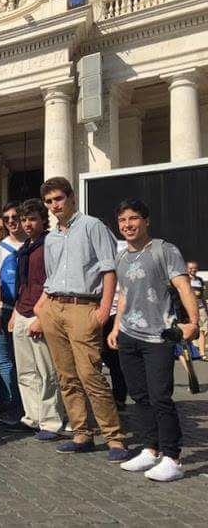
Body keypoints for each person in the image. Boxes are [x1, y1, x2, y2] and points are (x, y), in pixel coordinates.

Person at [35, 177, 129, 461]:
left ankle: (114, 438)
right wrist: (42, 309)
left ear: (71, 197)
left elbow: (109, 269)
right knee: (66, 376)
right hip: (54, 306)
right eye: (49, 201)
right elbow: (50, 277)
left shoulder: (92, 226)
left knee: (91, 375)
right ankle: (81, 433)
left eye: (58, 199)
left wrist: (103, 310)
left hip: (83, 306)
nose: (54, 206)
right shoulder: (50, 237)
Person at [108, 199, 198, 481]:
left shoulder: (164, 250)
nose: (128, 225)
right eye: (123, 220)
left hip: (159, 336)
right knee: (140, 397)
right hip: (128, 336)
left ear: (146, 221)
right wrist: (115, 327)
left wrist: (193, 323)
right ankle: (150, 449)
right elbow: (123, 295)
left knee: (160, 397)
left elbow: (184, 287)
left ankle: (172, 457)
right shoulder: (122, 258)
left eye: (133, 218)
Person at [6, 199, 65, 440]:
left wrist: (42, 316)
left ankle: (51, 421)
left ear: (43, 220)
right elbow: (23, 284)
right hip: (22, 310)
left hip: (41, 313)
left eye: (32, 219)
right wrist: (14, 312)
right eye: (23, 220)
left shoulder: (51, 244)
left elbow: (53, 282)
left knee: (46, 371)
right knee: (26, 370)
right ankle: (32, 416)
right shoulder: (24, 249)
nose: (27, 224)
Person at [0, 202, 24, 423]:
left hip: (27, 310)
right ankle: (10, 402)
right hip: (5, 308)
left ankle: (23, 405)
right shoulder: (0, 248)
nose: (11, 221)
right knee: (2, 359)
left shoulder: (33, 244)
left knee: (24, 361)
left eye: (15, 217)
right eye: (7, 218)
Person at [186, 261, 207, 360]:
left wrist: (206, 308)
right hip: (189, 308)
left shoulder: (199, 280)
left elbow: (202, 296)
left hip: (201, 308)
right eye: (190, 268)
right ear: (186, 269)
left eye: (194, 268)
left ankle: (202, 354)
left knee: (203, 330)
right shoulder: (185, 280)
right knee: (190, 330)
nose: (192, 270)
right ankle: (190, 352)